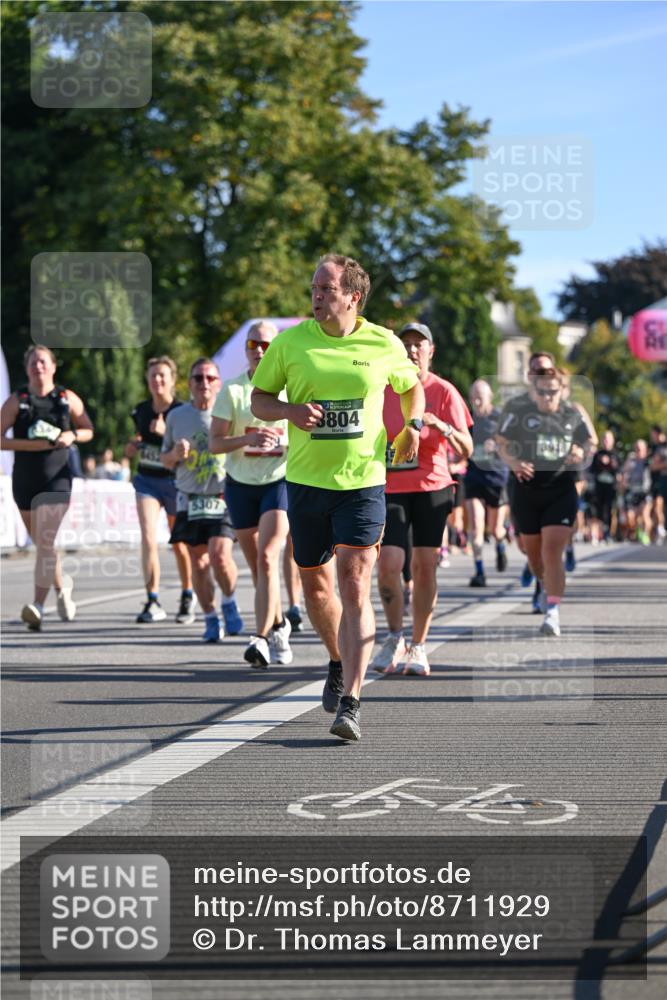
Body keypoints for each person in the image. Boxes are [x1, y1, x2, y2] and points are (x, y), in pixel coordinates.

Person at [250, 253, 424, 741]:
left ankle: (351, 701)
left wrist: (413, 424)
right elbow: (258, 400)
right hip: (306, 484)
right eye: (313, 289)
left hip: (363, 482)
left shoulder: (384, 342)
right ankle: (335, 656)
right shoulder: (290, 343)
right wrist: (288, 410)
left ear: (354, 295)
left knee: (353, 582)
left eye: (327, 289)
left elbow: (412, 390)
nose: (317, 297)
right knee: (318, 589)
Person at [371, 322, 472, 676]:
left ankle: (418, 645)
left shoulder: (443, 391)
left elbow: (467, 447)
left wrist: (440, 425)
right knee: (388, 567)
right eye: (406, 344)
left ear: (431, 351)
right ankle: (394, 635)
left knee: (424, 566)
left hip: (432, 487)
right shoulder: (382, 389)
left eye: (419, 344)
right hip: (390, 487)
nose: (412, 350)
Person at [209, 322, 292, 667]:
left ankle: (259, 639)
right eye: (253, 344)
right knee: (259, 569)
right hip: (241, 484)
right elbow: (215, 444)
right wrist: (247, 440)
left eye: (266, 344)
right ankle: (279, 624)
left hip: (279, 482)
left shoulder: (290, 390)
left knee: (269, 558)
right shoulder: (232, 391)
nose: (259, 349)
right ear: (246, 349)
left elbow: (307, 435)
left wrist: (283, 443)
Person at [0, 345, 94, 631]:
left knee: (45, 539)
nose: (38, 367)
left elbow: (88, 429)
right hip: (25, 482)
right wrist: (35, 445)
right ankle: (62, 588)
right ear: (27, 368)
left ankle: (37, 607)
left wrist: (72, 435)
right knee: (45, 545)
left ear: (53, 367)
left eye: (42, 362)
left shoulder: (66, 398)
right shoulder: (19, 401)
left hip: (58, 480)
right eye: (32, 363)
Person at [496, 367, 593, 637]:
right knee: (535, 556)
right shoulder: (520, 413)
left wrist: (580, 451)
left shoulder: (572, 415)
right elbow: (501, 442)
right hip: (527, 492)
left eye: (553, 391)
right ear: (533, 391)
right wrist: (514, 463)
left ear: (562, 390)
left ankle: (552, 611)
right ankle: (542, 582)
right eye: (542, 392)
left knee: (552, 551)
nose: (548, 397)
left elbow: (589, 443)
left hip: (561, 490)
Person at [161, 358, 243, 643]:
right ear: (190, 383)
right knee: (198, 563)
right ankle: (210, 616)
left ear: (218, 383)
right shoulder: (176, 417)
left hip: (222, 494)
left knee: (220, 557)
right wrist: (175, 455)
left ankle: (230, 601)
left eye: (210, 378)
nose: (204, 383)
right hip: (190, 497)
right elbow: (165, 459)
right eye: (198, 378)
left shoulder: (230, 412)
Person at [126, 356, 194, 624]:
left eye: (162, 376)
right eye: (153, 376)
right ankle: (152, 599)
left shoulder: (182, 411)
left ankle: (188, 594)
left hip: (176, 481)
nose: (157, 381)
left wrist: (168, 432)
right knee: (147, 537)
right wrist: (132, 447)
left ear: (172, 380)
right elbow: (140, 440)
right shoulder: (141, 410)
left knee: (179, 542)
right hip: (146, 480)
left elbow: (191, 448)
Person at [464, 378, 509, 586]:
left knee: (495, 529)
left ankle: (500, 544)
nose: (476, 401)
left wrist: (498, 445)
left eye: (480, 397)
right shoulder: (469, 419)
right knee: (476, 525)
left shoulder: (499, 418)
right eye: (473, 396)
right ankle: (479, 571)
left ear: (489, 397)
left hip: (497, 478)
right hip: (474, 477)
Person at [589, 430, 621, 544]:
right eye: (605, 439)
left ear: (612, 441)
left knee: (609, 510)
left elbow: (619, 471)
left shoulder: (615, 455)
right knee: (597, 511)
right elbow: (591, 470)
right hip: (598, 488)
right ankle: (597, 534)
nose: (606, 442)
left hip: (610, 488)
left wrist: (611, 464)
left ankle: (608, 534)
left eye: (608, 439)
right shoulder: (598, 454)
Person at [622, 439, 652, 545]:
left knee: (644, 515)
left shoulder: (648, 461)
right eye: (636, 448)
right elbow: (624, 474)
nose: (638, 450)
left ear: (645, 449)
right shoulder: (631, 461)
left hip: (645, 493)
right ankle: (637, 532)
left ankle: (646, 535)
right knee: (631, 517)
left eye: (640, 448)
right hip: (633, 492)